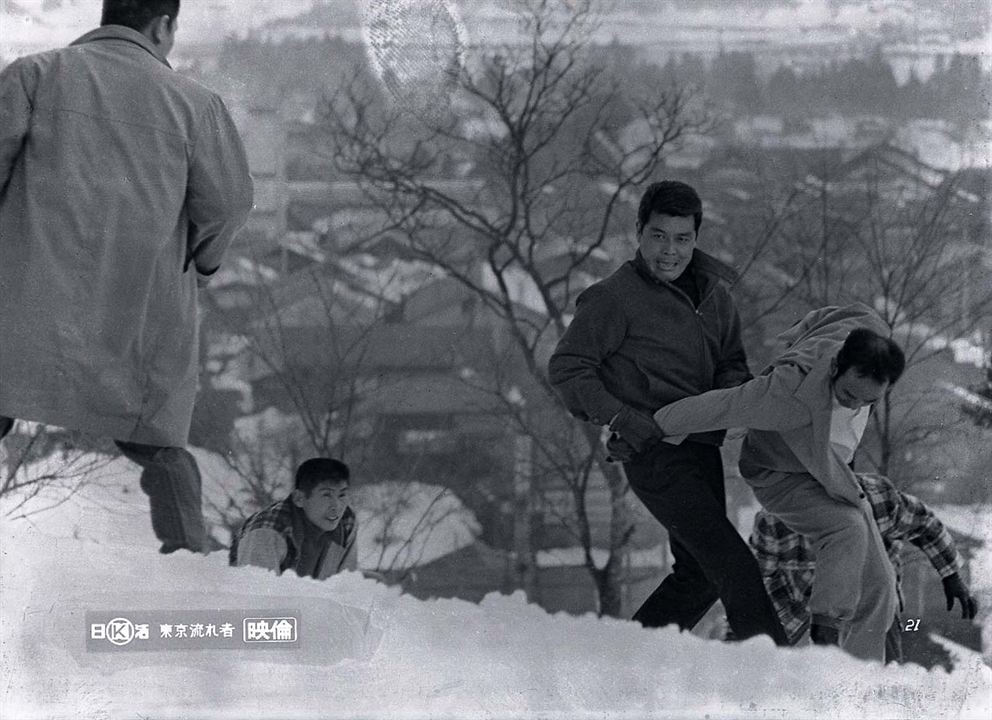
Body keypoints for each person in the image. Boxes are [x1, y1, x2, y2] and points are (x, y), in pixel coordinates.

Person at [0, 0, 253, 553]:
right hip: (140, 311)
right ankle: (193, 573)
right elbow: (230, 206)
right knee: (160, 446)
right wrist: (203, 262)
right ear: (163, 25)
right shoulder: (196, 104)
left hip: (25, 304)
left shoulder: (33, 76)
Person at [548, 180, 789, 646]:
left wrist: (727, 398)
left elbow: (732, 364)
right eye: (658, 236)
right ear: (639, 232)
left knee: (699, 574)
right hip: (653, 452)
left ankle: (626, 658)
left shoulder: (715, 297)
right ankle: (782, 672)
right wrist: (624, 419)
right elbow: (568, 367)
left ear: (696, 239)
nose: (669, 251)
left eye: (682, 239)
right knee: (733, 564)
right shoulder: (613, 298)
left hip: (701, 449)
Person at [653, 303, 908, 661]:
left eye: (868, 401)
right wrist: (650, 427)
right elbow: (721, 407)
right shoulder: (787, 393)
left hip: (831, 471)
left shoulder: (867, 329)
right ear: (835, 366)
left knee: (879, 584)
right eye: (848, 395)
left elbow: (837, 314)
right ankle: (826, 643)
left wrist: (797, 332)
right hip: (781, 474)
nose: (854, 407)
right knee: (846, 528)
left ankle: (861, 682)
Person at [750, 473, 978, 663]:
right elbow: (762, 580)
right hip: (808, 619)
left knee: (877, 690)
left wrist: (951, 575)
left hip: (878, 614)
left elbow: (925, 523)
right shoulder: (774, 518)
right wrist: (774, 633)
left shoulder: (877, 498)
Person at [230, 458, 358, 579]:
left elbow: (345, 585)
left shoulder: (345, 522)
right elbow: (257, 596)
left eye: (342, 495)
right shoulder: (267, 530)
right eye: (326, 495)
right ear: (299, 499)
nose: (337, 506)